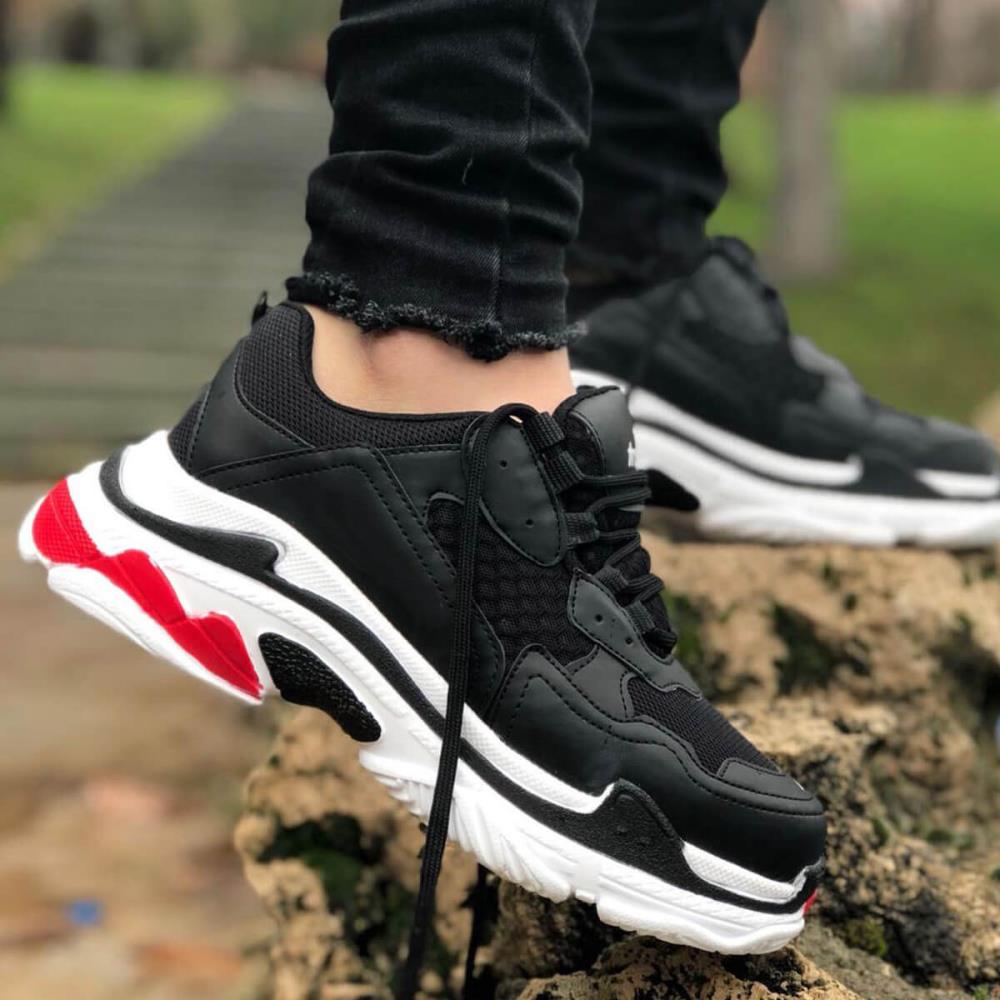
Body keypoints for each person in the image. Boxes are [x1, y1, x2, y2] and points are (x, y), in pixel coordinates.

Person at [21, 0, 995, 996]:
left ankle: (622, 257)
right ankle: (416, 349)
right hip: (437, 319)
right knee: (441, 297)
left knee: (622, 232)